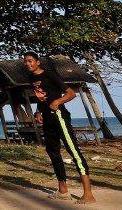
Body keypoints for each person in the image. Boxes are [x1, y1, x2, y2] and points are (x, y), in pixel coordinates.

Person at [23, 52, 96, 204]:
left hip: (59, 117)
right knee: (53, 152)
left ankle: (88, 194)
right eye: (25, 62)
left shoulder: (50, 75)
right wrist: (38, 111)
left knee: (73, 151)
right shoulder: (31, 78)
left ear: (37, 62)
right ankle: (63, 191)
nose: (27, 64)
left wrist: (58, 102)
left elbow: (71, 94)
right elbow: (41, 97)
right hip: (47, 119)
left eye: (30, 61)